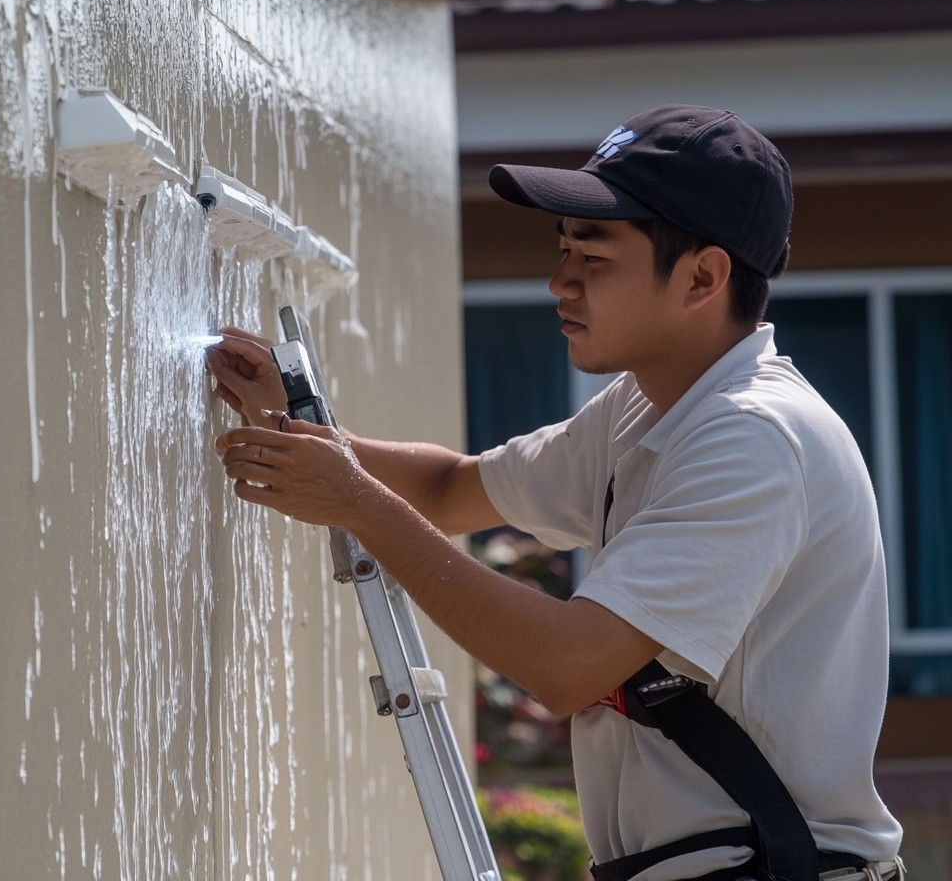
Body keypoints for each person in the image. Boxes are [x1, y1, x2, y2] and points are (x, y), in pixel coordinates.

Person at [207, 104, 904, 881]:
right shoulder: (648, 407)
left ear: (703, 276)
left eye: (595, 259)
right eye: (563, 248)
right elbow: (448, 489)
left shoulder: (752, 438)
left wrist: (358, 504)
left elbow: (571, 666)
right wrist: (302, 425)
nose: (559, 282)